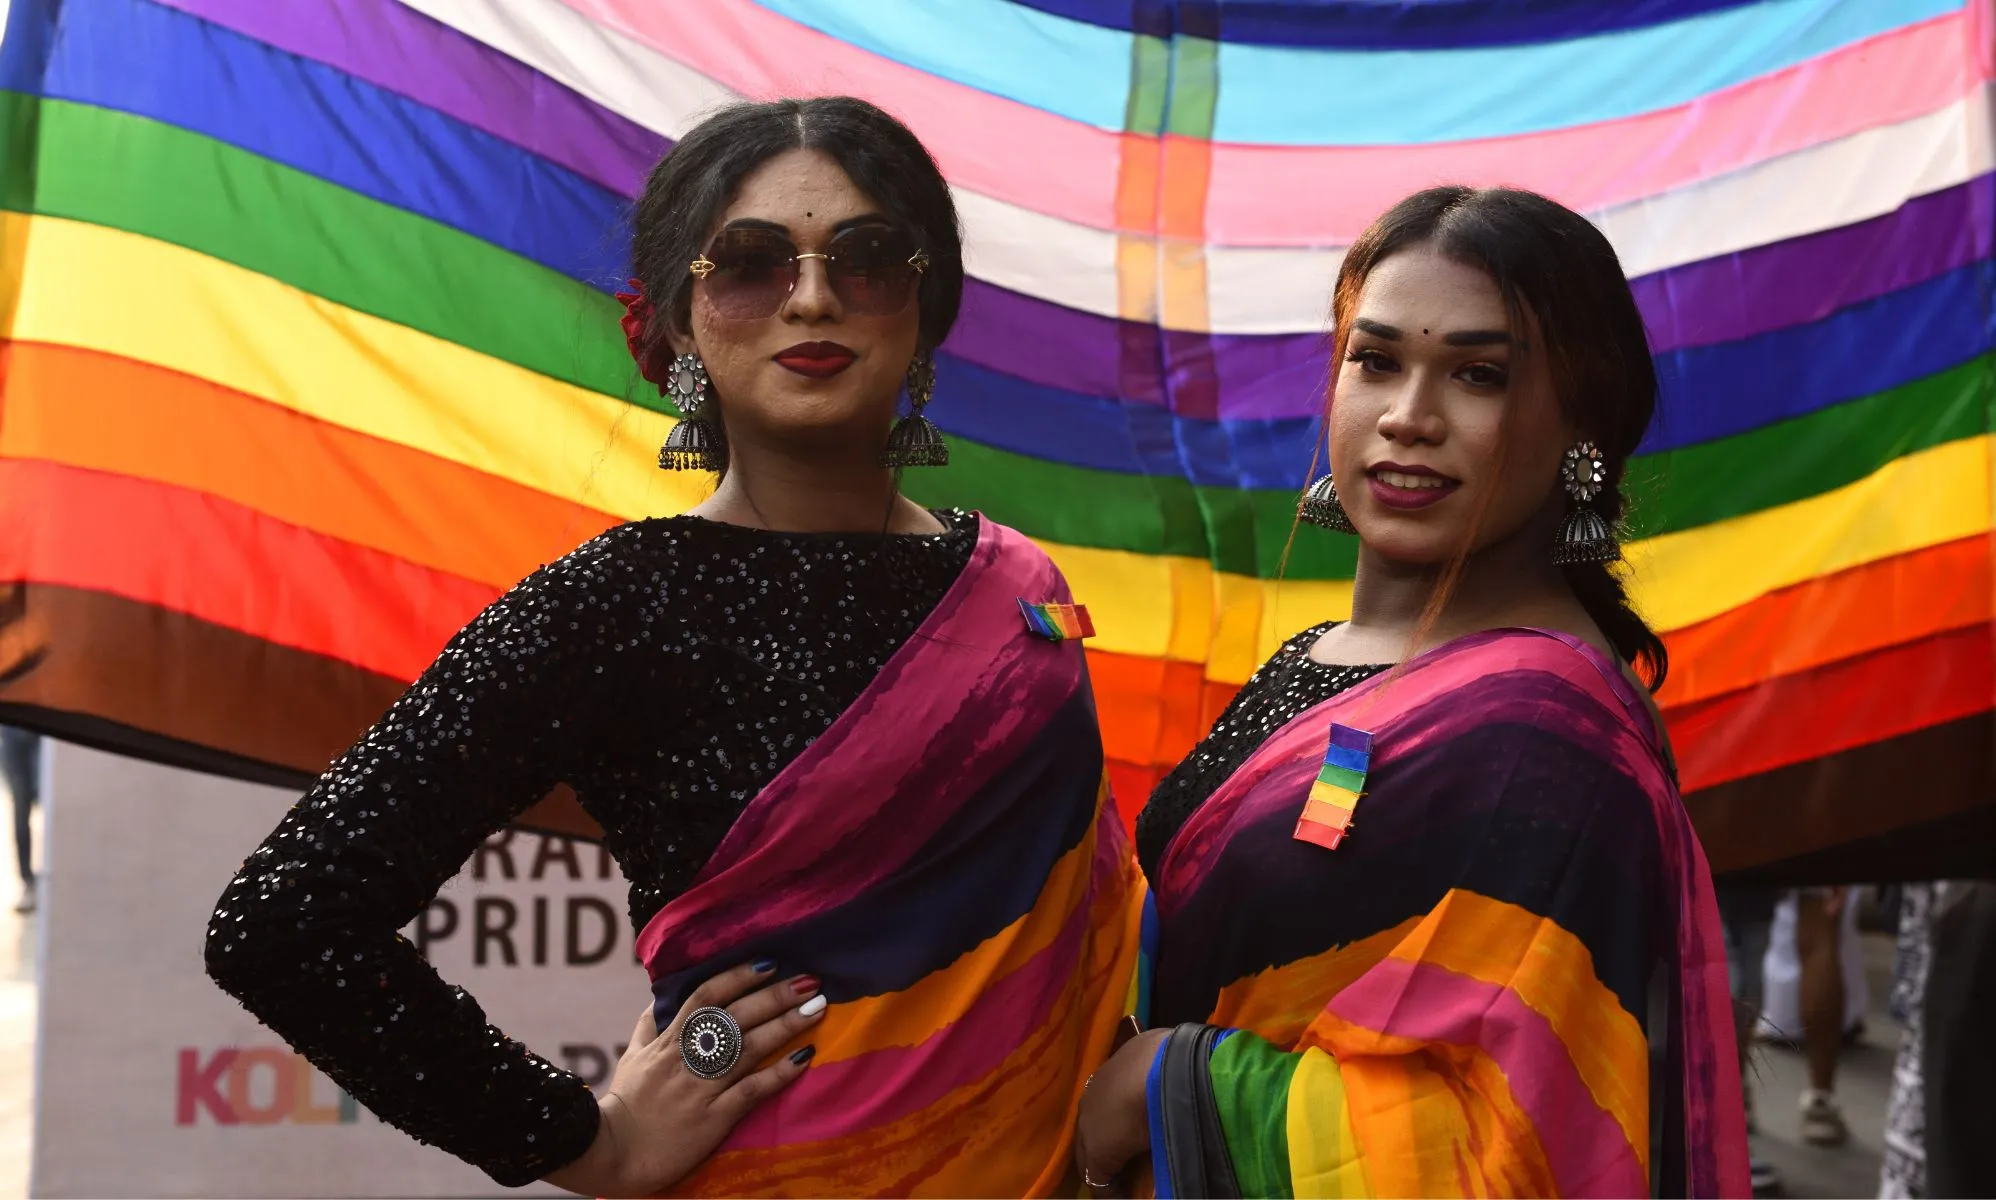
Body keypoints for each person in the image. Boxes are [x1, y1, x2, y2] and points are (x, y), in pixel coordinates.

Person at [206, 96, 1140, 1197]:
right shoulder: (614, 605)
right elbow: (281, 921)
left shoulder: (1021, 589)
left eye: (868, 255)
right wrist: (585, 1140)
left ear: (926, 305)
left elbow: (1087, 919)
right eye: (748, 263)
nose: (813, 296)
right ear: (682, 321)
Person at [1075, 186, 1748, 1197]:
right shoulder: (1315, 652)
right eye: (1375, 360)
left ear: (1582, 430)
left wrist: (1171, 1089)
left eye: (1477, 376)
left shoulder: (1549, 738)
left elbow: (1520, 1141)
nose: (1407, 417)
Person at [0, 725, 39, 914]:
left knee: (53, 801)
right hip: (13, 733)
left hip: (42, 733)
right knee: (21, 813)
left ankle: (33, 882)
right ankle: (28, 882)